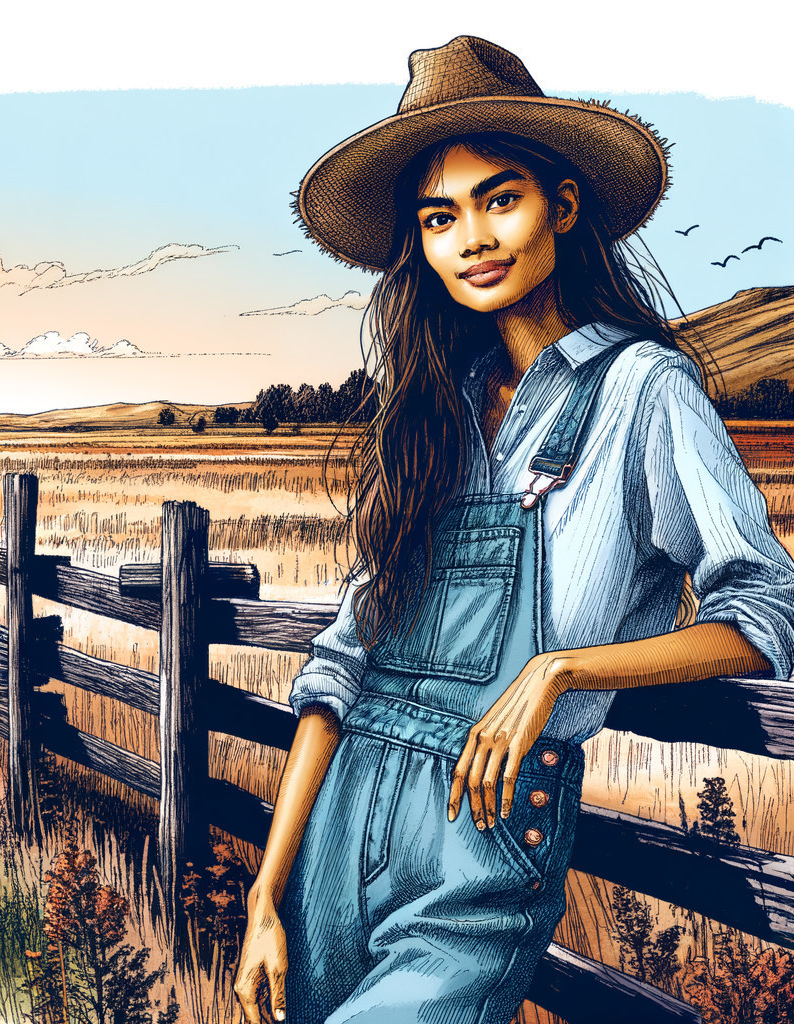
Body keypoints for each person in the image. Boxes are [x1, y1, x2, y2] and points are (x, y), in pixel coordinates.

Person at [234, 35, 794, 1024]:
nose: (473, 239)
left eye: (501, 199)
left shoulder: (643, 391)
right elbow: (338, 668)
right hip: (334, 825)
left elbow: (765, 608)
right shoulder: (431, 413)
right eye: (439, 217)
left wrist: (568, 669)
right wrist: (264, 894)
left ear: (562, 207)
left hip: (483, 827)